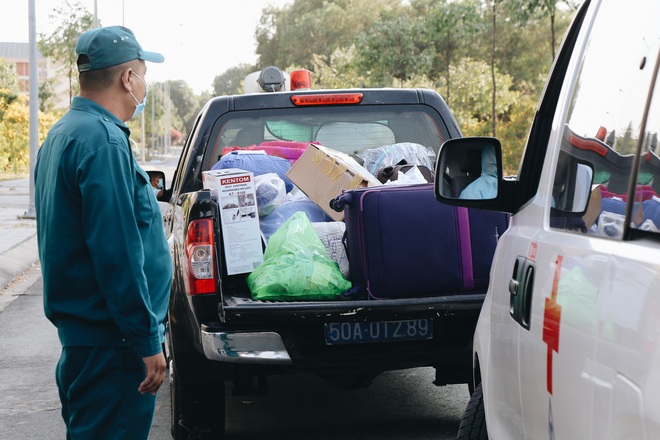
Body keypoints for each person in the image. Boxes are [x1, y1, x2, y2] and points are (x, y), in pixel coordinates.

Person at [34, 26, 172, 440]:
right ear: (128, 79)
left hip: (89, 343)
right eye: (143, 74)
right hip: (114, 345)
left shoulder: (62, 134)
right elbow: (117, 252)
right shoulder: (104, 142)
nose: (144, 85)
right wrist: (147, 340)